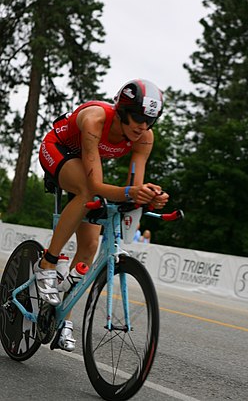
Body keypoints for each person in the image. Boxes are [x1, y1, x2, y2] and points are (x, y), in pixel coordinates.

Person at [35, 79, 169, 351]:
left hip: (85, 162)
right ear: (121, 110)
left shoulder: (144, 137)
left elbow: (134, 186)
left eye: (150, 121)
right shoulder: (95, 119)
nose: (143, 126)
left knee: (91, 245)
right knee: (86, 191)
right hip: (57, 149)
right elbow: (96, 185)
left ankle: (63, 320)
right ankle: (46, 265)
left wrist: (149, 197)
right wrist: (133, 192)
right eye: (138, 118)